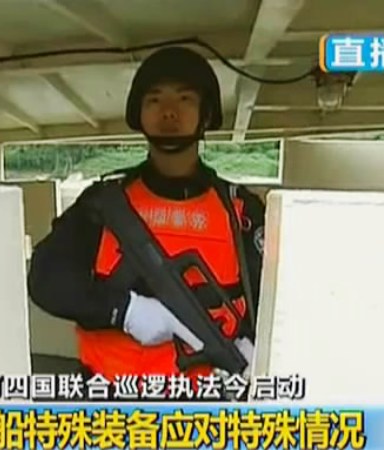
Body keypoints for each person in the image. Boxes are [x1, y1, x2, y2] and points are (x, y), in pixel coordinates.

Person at [27, 46, 266, 397]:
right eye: (154, 100)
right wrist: (124, 310)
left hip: (206, 407)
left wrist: (256, 345)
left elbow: (273, 300)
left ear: (206, 114)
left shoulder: (240, 210)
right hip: (109, 404)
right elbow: (46, 280)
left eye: (185, 99)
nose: (169, 111)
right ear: (139, 113)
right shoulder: (103, 204)